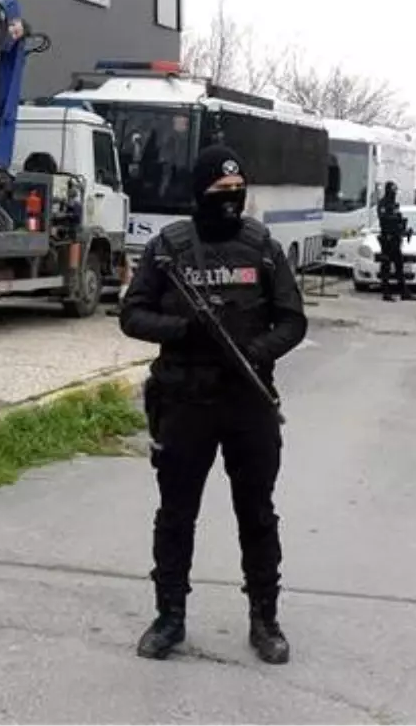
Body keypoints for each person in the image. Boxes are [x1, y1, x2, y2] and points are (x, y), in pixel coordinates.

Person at [119, 144, 308, 665]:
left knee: (257, 513)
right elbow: (132, 315)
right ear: (199, 193)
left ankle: (264, 619)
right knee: (176, 513)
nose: (230, 199)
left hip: (248, 399)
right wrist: (186, 330)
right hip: (184, 401)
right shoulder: (169, 248)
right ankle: (169, 618)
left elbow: (293, 320)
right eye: (219, 192)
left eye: (236, 191)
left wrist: (256, 350)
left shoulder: (263, 246)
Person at [376, 182, 416, 302]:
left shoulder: (394, 204)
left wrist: (403, 229)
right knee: (386, 266)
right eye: (393, 190)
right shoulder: (383, 204)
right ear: (388, 190)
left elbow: (398, 220)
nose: (394, 192)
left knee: (399, 266)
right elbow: (384, 220)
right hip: (387, 239)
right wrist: (395, 221)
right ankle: (386, 293)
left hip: (396, 239)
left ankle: (404, 292)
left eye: (395, 190)